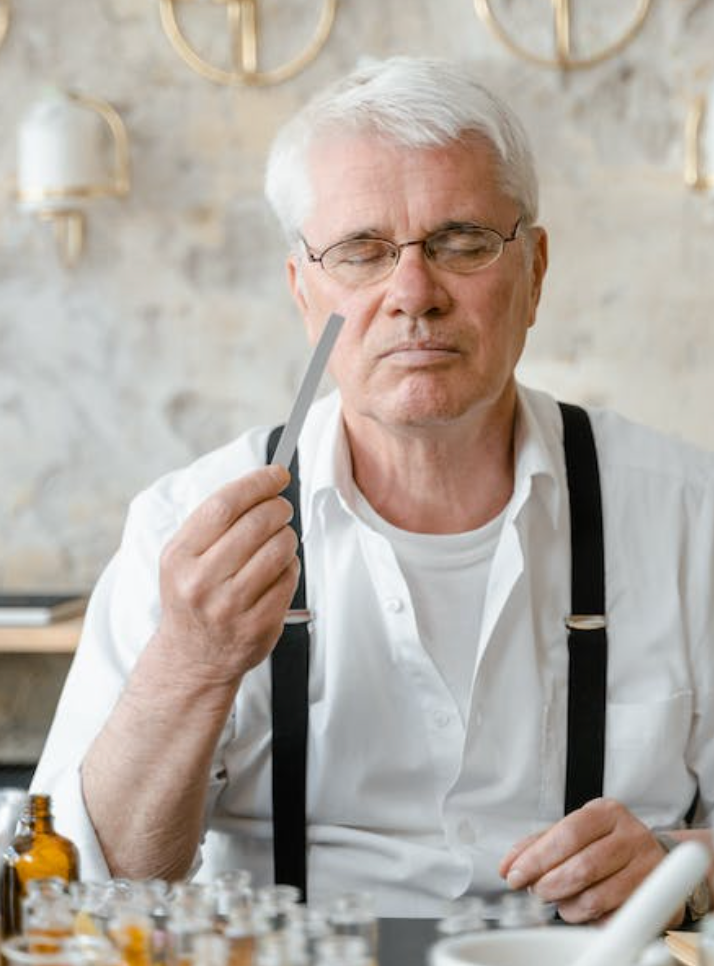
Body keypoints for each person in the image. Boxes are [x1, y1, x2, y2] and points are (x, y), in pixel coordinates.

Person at [33, 55, 714, 921]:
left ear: (535, 272)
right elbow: (77, 898)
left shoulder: (689, 514)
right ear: (302, 293)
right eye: (361, 253)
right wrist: (191, 664)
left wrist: (686, 866)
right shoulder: (182, 529)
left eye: (462, 242)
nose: (414, 295)